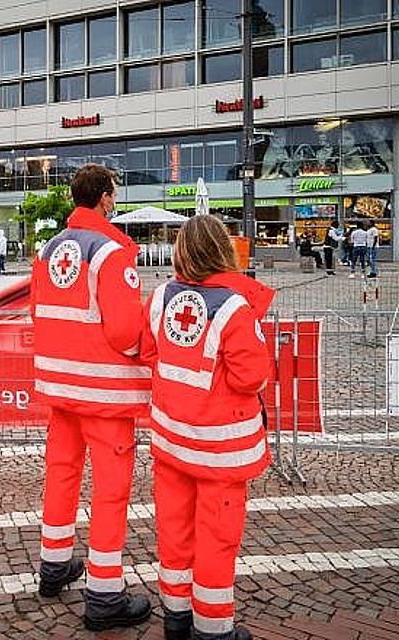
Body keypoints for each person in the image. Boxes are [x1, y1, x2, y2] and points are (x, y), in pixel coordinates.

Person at [30, 163, 152, 630]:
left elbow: (38, 311)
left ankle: (54, 563)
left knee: (61, 474)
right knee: (110, 491)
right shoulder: (111, 252)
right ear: (104, 198)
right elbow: (124, 332)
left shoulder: (48, 249)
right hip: (103, 393)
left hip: (59, 388)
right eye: (114, 193)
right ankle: (104, 594)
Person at [140, 215, 273, 640]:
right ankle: (213, 628)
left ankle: (176, 615)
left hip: (171, 441)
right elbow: (251, 376)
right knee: (217, 537)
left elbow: (149, 354)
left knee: (174, 530)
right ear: (222, 250)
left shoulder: (159, 298)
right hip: (219, 449)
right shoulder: (233, 307)